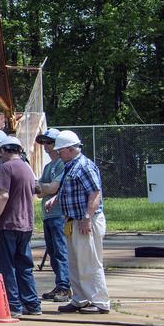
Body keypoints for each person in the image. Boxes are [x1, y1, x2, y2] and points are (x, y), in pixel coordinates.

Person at [50, 130, 110, 314]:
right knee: (75, 262)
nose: (58, 154)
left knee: (89, 262)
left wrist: (86, 218)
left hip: (84, 220)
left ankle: (99, 301)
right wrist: (57, 199)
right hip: (72, 221)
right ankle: (80, 298)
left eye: (60, 150)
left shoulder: (84, 166)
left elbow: (95, 193)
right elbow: (70, 189)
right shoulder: (70, 165)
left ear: (69, 149)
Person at [0, 136, 42, 317]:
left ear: (3, 151)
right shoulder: (27, 168)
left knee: (5, 266)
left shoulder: (6, 167)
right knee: (24, 265)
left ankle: (12, 305)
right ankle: (33, 304)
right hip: (26, 224)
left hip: (9, 223)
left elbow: (3, 196)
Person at [35, 129, 70, 302]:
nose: (46, 146)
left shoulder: (62, 164)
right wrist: (42, 187)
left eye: (50, 142)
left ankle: (65, 287)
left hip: (59, 215)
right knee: (54, 252)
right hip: (48, 216)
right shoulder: (49, 166)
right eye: (45, 143)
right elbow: (41, 193)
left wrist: (40, 186)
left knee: (61, 251)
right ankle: (60, 283)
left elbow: (53, 188)